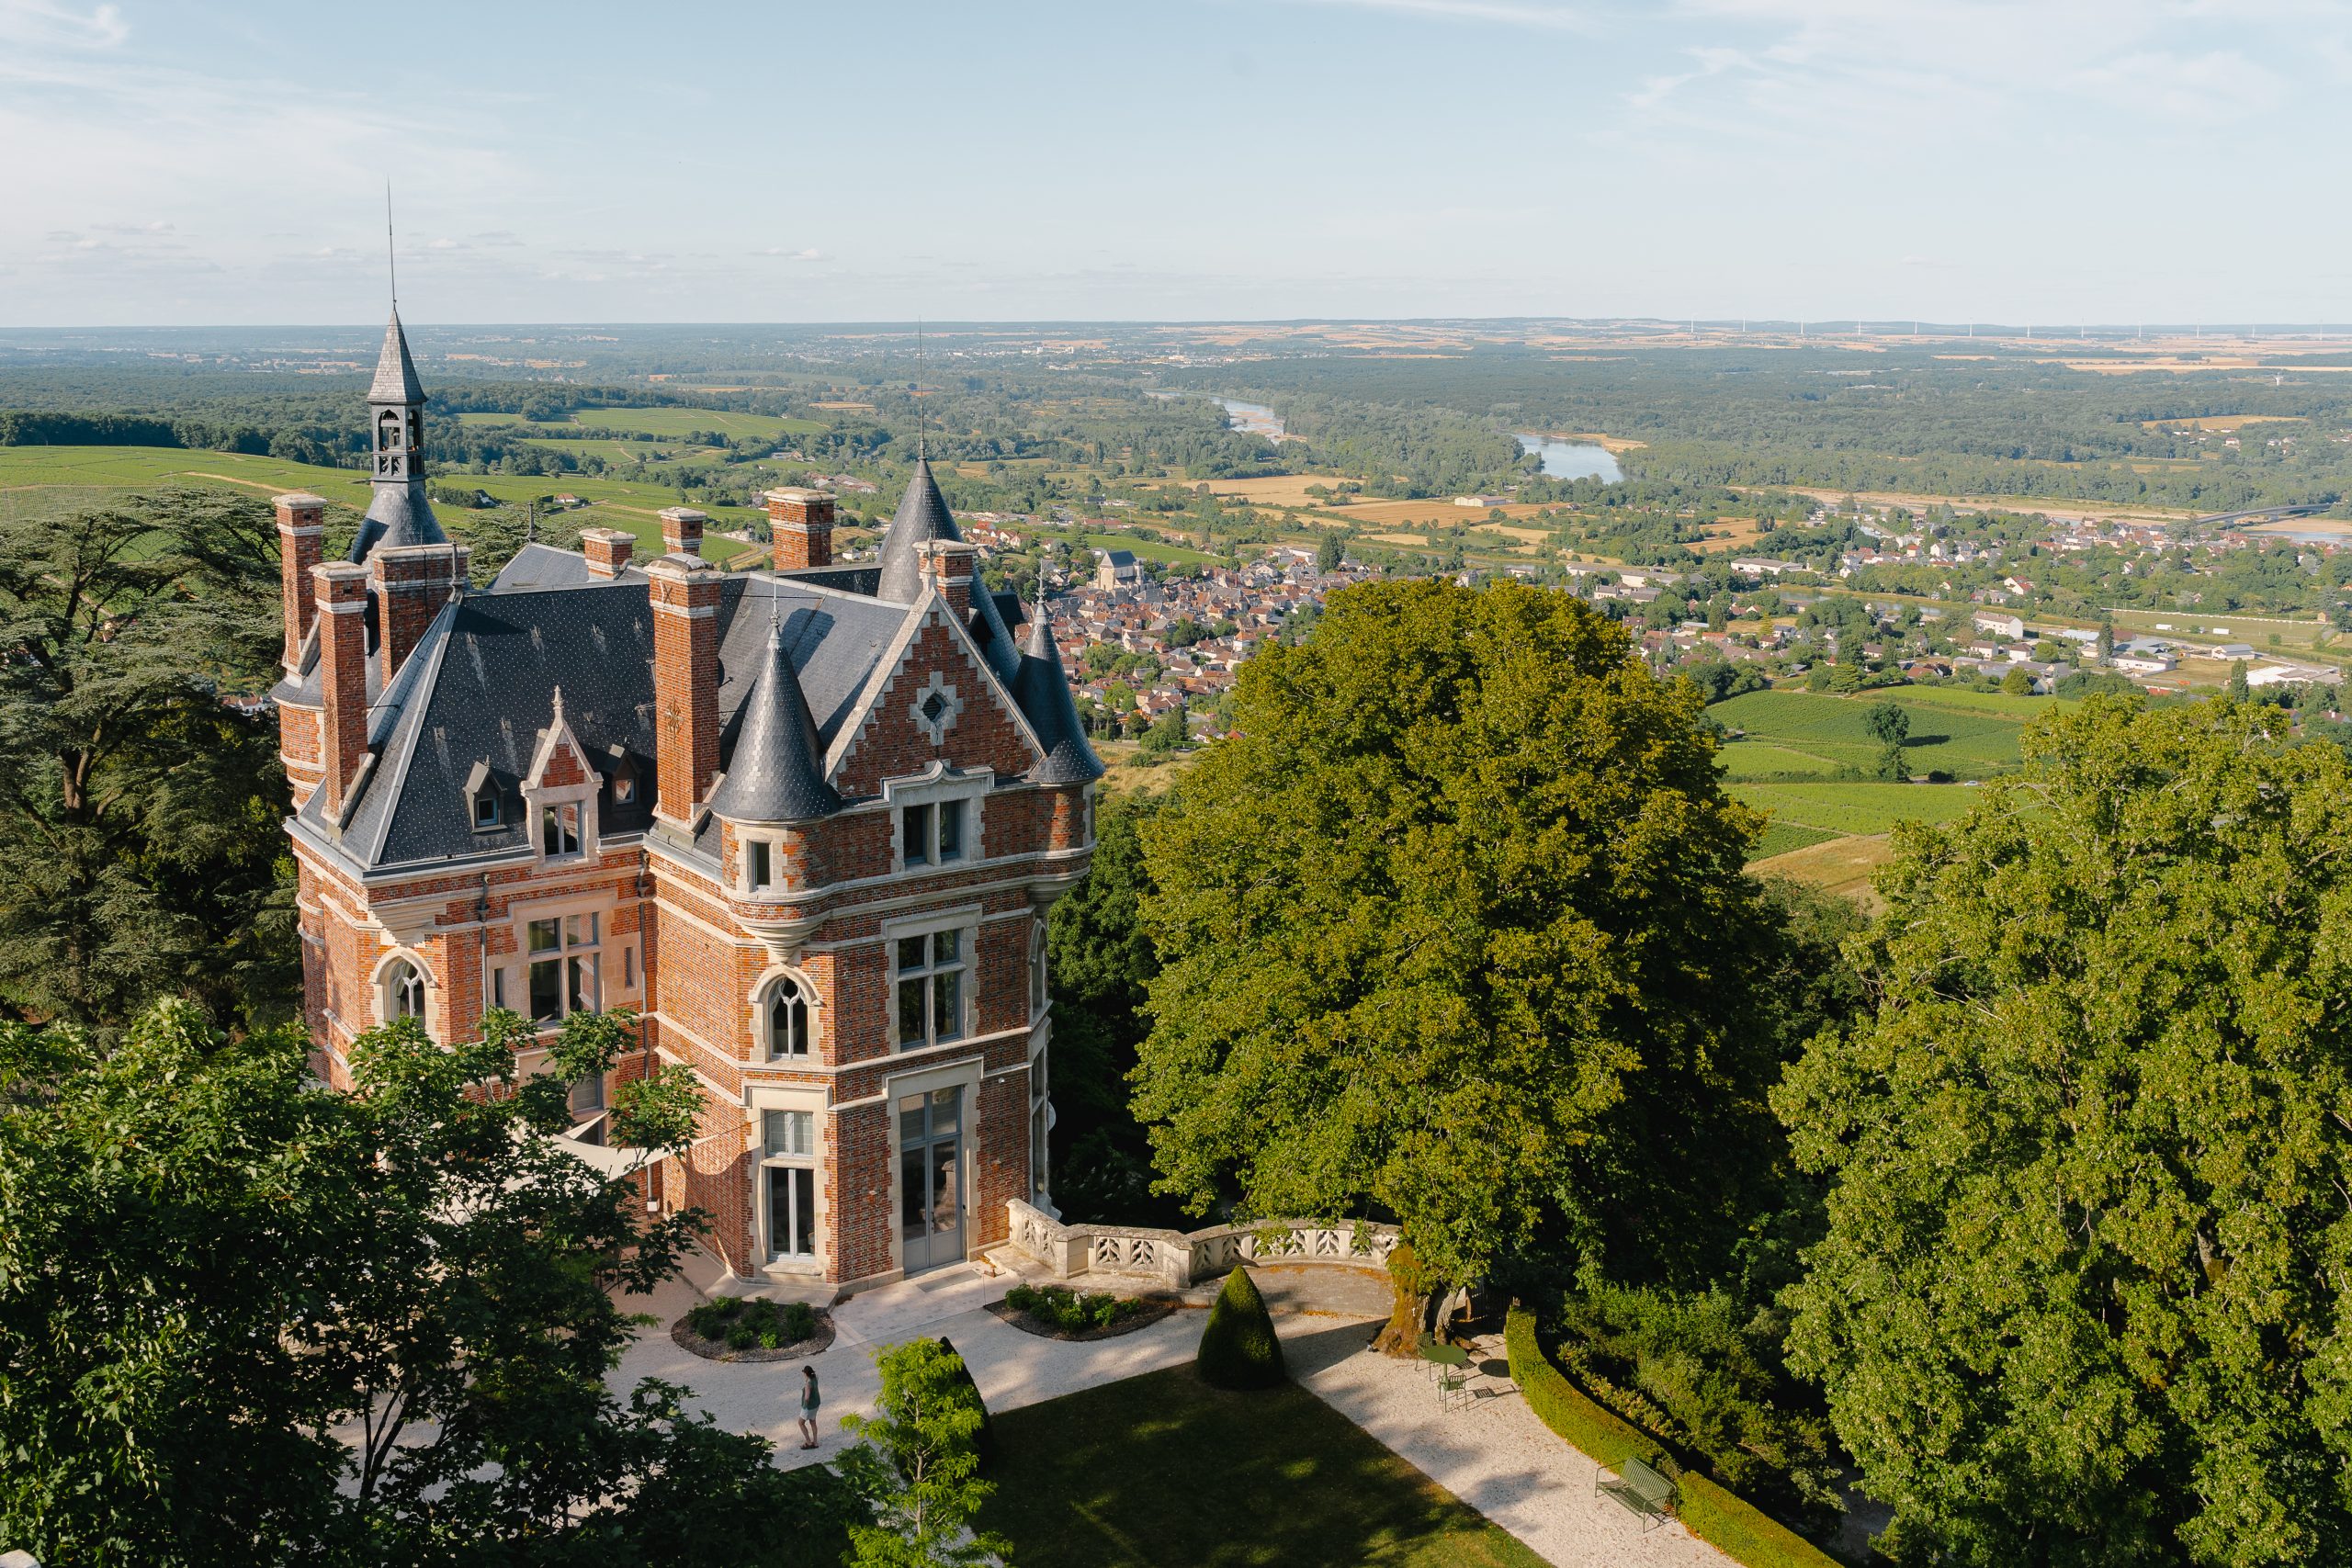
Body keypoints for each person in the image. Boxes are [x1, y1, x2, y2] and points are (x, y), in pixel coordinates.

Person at [797, 1364, 821, 1450]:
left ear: (805, 1374)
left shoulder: (808, 1384)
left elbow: (807, 1397)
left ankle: (808, 1441)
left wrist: (805, 1403)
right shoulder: (815, 1378)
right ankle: (815, 1442)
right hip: (816, 1405)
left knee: (800, 1423)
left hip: (809, 1407)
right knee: (813, 1422)